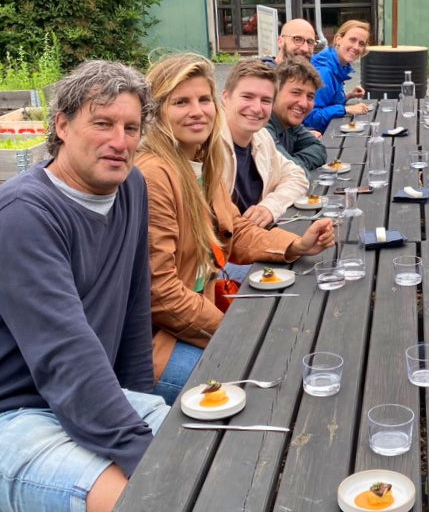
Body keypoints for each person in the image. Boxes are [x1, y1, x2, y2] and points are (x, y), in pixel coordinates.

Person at [0, 60, 168, 512]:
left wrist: (141, 404)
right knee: (151, 496)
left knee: (210, 449)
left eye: (131, 127)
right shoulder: (23, 214)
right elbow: (65, 354)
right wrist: (142, 451)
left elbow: (135, 307)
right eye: (102, 123)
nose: (120, 141)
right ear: (62, 125)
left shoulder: (130, 186)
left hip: (84, 400)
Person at [138, 54, 335, 404]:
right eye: (181, 102)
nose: (197, 111)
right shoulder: (154, 173)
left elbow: (237, 230)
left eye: (202, 100)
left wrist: (296, 246)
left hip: (193, 314)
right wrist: (230, 332)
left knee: (286, 342)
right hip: (154, 344)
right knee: (262, 381)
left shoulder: (198, 158)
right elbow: (161, 293)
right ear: (156, 112)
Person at [220, 59, 309, 229]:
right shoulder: (209, 143)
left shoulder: (261, 137)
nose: (257, 108)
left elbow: (297, 177)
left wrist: (269, 207)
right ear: (225, 97)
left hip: (255, 240)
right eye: (247, 97)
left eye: (266, 101)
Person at [305, 20, 370, 133]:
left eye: (361, 43)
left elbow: (327, 101)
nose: (356, 47)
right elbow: (310, 117)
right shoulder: (324, 72)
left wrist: (348, 96)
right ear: (338, 39)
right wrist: (346, 109)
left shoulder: (335, 64)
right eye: (352, 40)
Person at [267, 58, 328, 173]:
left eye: (310, 96)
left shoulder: (290, 123)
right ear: (275, 91)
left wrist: (294, 163)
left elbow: (319, 149)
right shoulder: (263, 126)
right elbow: (285, 170)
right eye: (296, 93)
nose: (303, 103)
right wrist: (292, 167)